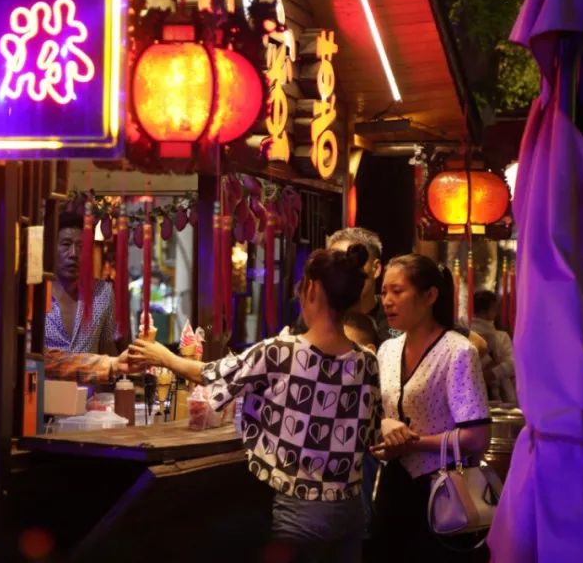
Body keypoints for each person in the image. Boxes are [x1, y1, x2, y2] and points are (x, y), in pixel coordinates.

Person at [131, 247, 382, 563]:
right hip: (350, 511)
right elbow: (371, 435)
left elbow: (213, 374)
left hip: (299, 512)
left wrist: (164, 356)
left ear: (312, 289)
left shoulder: (281, 352)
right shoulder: (367, 362)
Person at [370, 254, 491, 562]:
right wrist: (384, 429)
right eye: (383, 292)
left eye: (397, 291)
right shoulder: (386, 350)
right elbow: (377, 413)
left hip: (442, 488)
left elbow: (478, 438)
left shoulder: (458, 351)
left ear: (430, 296)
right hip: (392, 486)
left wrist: (413, 443)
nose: (387, 301)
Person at [44, 211, 117, 355]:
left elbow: (107, 348)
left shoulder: (102, 292)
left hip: (91, 370)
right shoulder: (36, 293)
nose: (73, 254)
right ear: (51, 248)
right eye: (66, 244)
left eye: (81, 246)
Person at [470, 291, 517, 405]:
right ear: (484, 310)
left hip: (497, 395)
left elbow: (512, 364)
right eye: (494, 309)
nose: (497, 312)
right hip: (476, 392)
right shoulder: (467, 334)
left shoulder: (501, 337)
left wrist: (491, 374)